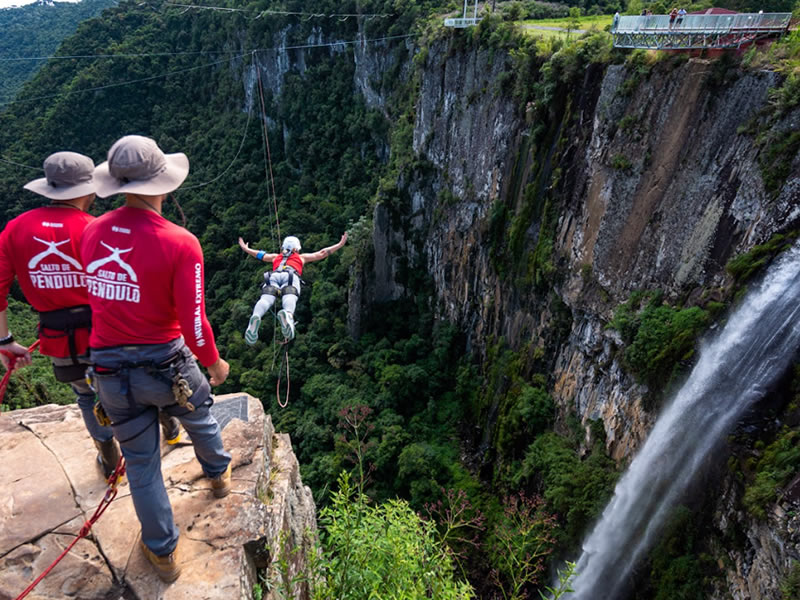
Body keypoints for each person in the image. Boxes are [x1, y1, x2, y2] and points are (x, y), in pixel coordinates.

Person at [80, 135, 232, 583]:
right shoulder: (181, 242)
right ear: (164, 184)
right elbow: (195, 321)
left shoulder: (91, 231)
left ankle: (163, 555)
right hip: (166, 364)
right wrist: (215, 363)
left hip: (109, 370)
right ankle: (219, 476)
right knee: (199, 416)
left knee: (142, 464)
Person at [0, 151, 123, 478]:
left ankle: (110, 458)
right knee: (121, 389)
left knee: (85, 395)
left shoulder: (15, 229)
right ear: (89, 190)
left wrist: (5, 340)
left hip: (58, 338)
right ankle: (147, 444)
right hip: (105, 331)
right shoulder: (97, 228)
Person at [239, 232, 347, 344]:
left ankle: (256, 315)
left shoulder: (275, 257)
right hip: (290, 276)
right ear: (296, 248)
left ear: (283, 248)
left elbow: (260, 255)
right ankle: (288, 315)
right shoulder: (301, 257)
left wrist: (246, 249)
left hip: (273, 276)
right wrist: (339, 245)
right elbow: (322, 253)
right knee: (290, 296)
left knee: (265, 299)